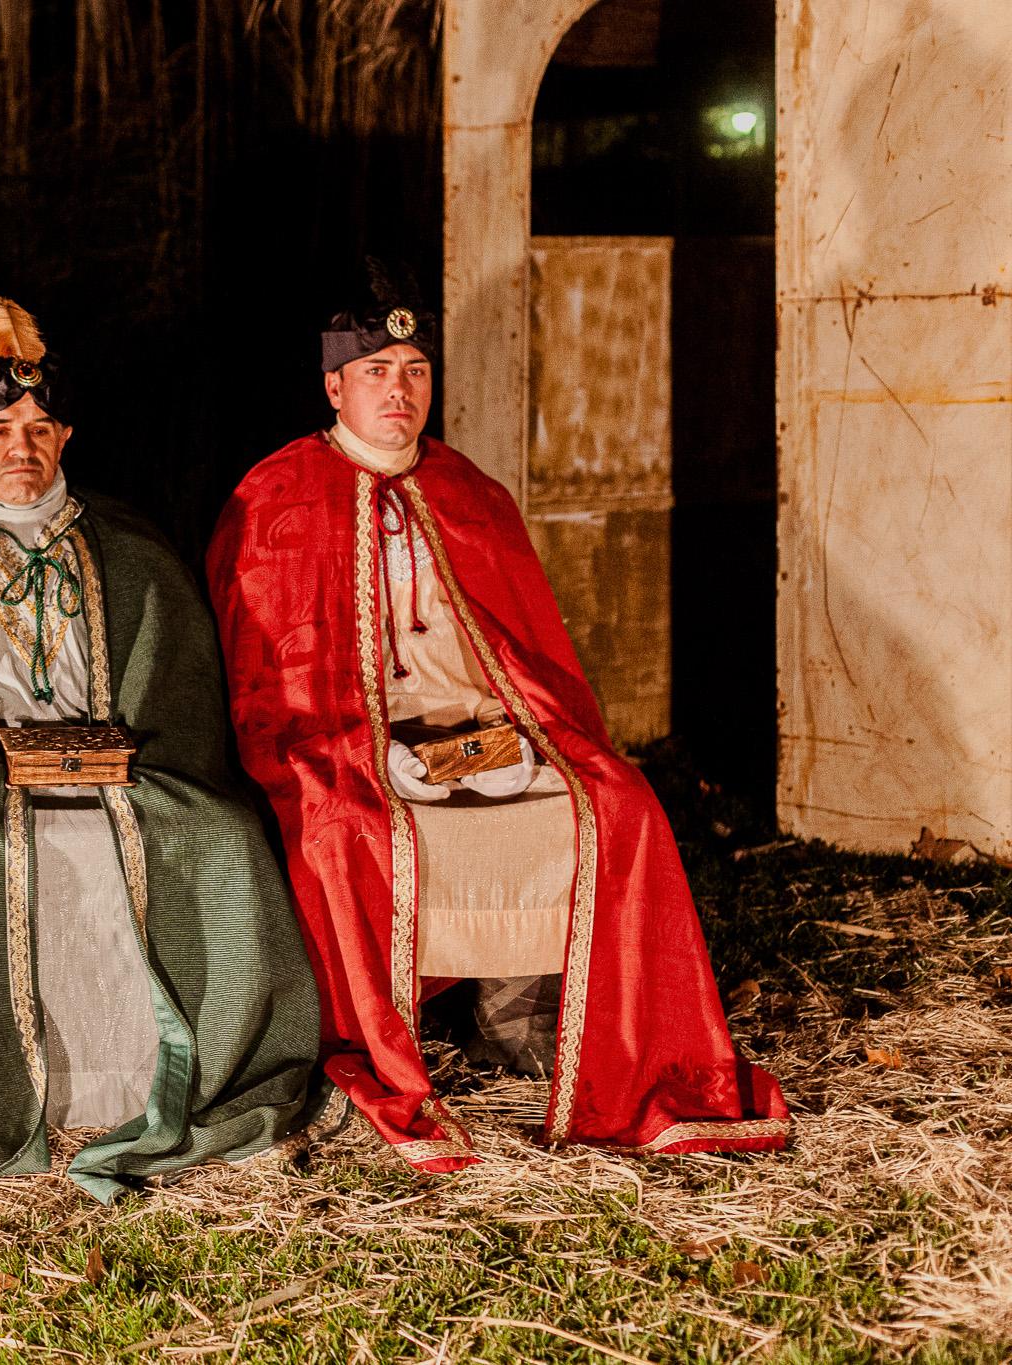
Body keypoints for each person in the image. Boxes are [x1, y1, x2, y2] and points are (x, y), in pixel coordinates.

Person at [205, 280, 790, 1169]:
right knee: (343, 829)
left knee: (616, 804)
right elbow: (265, 668)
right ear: (334, 388)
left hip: (485, 726)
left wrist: (505, 727)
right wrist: (347, 742)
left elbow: (529, 649)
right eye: (375, 371)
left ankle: (522, 1009)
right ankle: (365, 1036)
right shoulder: (277, 494)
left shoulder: (467, 490)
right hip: (351, 735)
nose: (398, 390)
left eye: (414, 370)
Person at [0, 296, 320, 1201]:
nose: (19, 446)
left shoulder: (134, 551)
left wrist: (125, 758)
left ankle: (198, 1079)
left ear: (66, 436)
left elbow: (178, 692)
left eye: (38, 427)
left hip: (131, 778)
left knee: (223, 835)